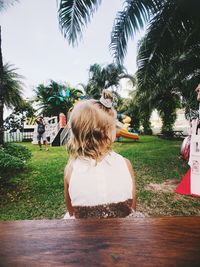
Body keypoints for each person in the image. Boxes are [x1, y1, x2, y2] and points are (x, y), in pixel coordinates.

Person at [63, 91, 137, 219]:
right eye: (114, 124)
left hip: (85, 237)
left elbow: (71, 212)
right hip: (121, 235)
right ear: (107, 132)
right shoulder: (125, 164)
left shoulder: (70, 169)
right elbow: (132, 208)